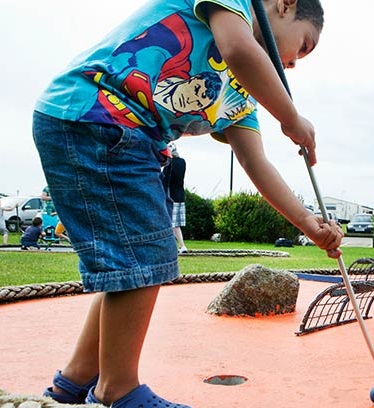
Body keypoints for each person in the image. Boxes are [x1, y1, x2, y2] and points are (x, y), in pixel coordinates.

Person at [32, 0, 342, 407]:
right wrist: (291, 116)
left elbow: (255, 162)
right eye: (303, 47)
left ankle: (74, 382)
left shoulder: (240, 94)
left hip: (119, 135)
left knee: (128, 262)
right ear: (284, 5)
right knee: (145, 255)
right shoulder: (235, 10)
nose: (296, 65)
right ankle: (115, 391)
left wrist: (307, 221)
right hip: (97, 115)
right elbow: (237, 49)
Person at [161, 143, 188, 254]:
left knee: (171, 224)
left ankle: (177, 246)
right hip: (180, 195)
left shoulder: (169, 163)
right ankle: (181, 246)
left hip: (170, 196)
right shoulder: (182, 162)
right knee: (175, 224)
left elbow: (164, 180)